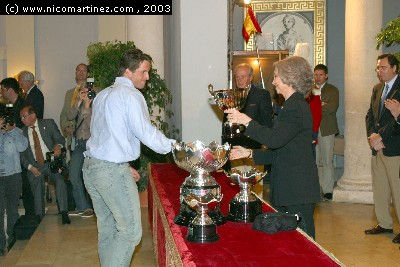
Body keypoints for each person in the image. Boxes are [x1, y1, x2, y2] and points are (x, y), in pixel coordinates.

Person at [83, 49, 175, 266]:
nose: (147, 77)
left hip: (92, 168)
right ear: (128, 72)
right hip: (110, 172)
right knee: (130, 233)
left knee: (108, 230)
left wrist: (122, 165)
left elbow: (103, 137)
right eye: (143, 72)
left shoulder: (102, 95)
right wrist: (176, 147)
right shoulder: (131, 96)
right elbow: (146, 133)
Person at [225, 56, 320, 239]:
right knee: (291, 243)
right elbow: (280, 151)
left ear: (289, 78)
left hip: (297, 189)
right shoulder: (291, 105)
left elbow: (274, 140)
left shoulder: (295, 107)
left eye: (276, 76)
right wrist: (249, 152)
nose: (274, 81)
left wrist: (245, 120)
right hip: (289, 188)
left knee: (305, 244)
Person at [365, 54, 400, 244]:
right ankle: (384, 223)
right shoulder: (377, 88)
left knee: (398, 189)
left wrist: (381, 136)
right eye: (378, 68)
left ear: (394, 68)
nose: (380, 71)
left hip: (394, 146)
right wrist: (371, 136)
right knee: (380, 188)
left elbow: (397, 119)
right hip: (376, 146)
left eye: (384, 67)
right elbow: (370, 115)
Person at [19, 105, 70, 224]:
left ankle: (63, 212)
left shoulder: (49, 123)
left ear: (33, 115)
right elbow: (22, 155)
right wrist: (30, 168)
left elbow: (60, 139)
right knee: (37, 184)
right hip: (35, 165)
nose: (22, 119)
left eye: (24, 116)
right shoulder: (22, 133)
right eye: (21, 117)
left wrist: (58, 146)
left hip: (51, 162)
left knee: (60, 181)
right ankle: (39, 215)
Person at [222, 63, 273, 165]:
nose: (239, 80)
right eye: (237, 77)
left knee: (254, 180)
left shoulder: (262, 95)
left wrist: (265, 147)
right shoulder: (230, 96)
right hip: (234, 150)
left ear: (250, 78)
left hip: (254, 149)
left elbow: (267, 123)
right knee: (234, 180)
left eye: (243, 77)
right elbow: (225, 124)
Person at [0, 78, 36, 216]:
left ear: (9, 89)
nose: (1, 93)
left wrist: (13, 129)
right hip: (9, 150)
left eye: (2, 89)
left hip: (22, 144)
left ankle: (30, 215)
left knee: (25, 184)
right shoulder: (7, 106)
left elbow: (27, 125)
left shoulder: (23, 104)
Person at [0, 111, 28, 256]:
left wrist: (12, 130)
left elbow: (22, 147)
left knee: (12, 210)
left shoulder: (17, 132)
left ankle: (12, 240)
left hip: (13, 176)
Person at [65, 85, 94, 218]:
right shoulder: (79, 102)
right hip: (79, 144)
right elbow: (70, 116)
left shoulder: (96, 105)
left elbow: (89, 122)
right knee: (73, 174)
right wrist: (78, 101)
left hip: (91, 145)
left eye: (87, 92)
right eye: (82, 92)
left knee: (90, 176)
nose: (85, 94)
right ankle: (82, 207)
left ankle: (91, 207)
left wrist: (87, 104)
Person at [314, 64, 339, 201]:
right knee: (315, 161)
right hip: (312, 129)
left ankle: (328, 190)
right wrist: (321, 104)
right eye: (316, 75)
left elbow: (332, 108)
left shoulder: (332, 90)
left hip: (327, 129)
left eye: (320, 75)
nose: (318, 78)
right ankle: (317, 189)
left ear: (326, 75)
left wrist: (318, 106)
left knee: (327, 160)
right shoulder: (309, 90)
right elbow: (308, 108)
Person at [60, 63, 89, 144]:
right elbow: (64, 113)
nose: (81, 72)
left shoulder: (92, 92)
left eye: (84, 70)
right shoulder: (69, 93)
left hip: (85, 134)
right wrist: (65, 127)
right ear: (76, 73)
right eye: (79, 70)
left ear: (88, 74)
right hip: (71, 136)